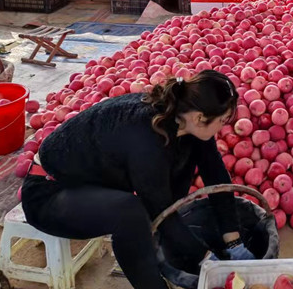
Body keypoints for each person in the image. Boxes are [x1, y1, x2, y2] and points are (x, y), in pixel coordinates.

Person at [21, 71, 253, 289]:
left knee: (185, 159)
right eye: (222, 120)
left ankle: (176, 247)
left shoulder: (186, 119)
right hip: (49, 194)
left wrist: (234, 242)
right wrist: (207, 260)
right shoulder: (147, 136)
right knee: (130, 215)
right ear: (200, 116)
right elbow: (159, 208)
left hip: (90, 183)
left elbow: (216, 175)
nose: (224, 126)